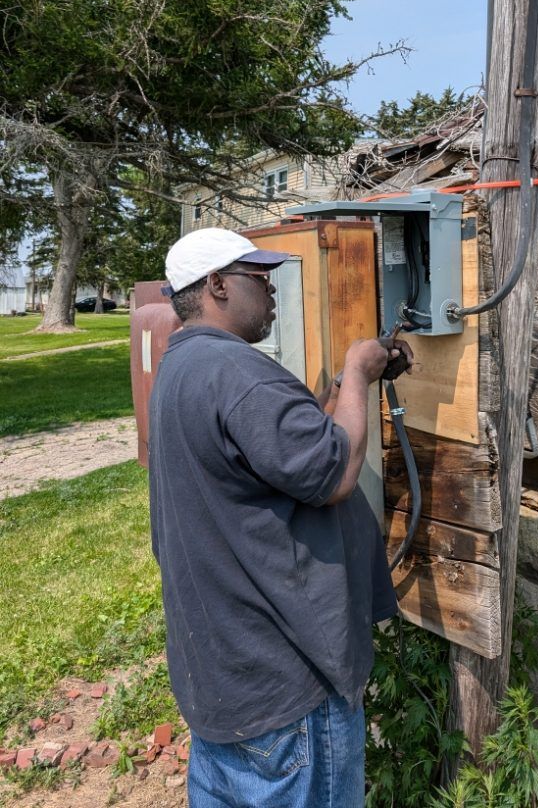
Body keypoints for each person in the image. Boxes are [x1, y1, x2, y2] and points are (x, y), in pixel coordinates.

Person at [148, 226, 410, 808]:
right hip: (286, 685)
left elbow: (270, 451)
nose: (271, 292)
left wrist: (338, 392)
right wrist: (360, 373)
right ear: (216, 284)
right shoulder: (241, 373)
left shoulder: (184, 366)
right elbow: (335, 473)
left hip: (224, 681)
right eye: (258, 279)